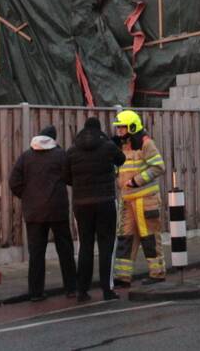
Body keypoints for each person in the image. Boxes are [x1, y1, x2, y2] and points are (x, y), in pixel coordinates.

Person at [8, 125, 77, 301]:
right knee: (65, 250)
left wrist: (27, 196)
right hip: (57, 209)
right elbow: (70, 177)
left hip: (34, 212)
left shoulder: (26, 156)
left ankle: (36, 292)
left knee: (36, 253)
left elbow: (13, 181)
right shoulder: (61, 155)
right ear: (54, 139)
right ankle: (71, 288)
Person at [64, 116, 125, 302]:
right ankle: (107, 289)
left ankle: (82, 290)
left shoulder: (72, 150)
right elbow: (121, 160)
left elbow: (66, 177)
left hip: (81, 204)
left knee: (85, 245)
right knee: (106, 246)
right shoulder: (107, 146)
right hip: (105, 201)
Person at [111, 109, 167, 287]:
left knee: (149, 237)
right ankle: (122, 277)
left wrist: (136, 181)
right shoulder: (120, 146)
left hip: (145, 199)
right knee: (125, 238)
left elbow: (158, 166)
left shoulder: (146, 143)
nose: (119, 131)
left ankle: (157, 273)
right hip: (127, 200)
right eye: (118, 128)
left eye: (122, 128)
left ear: (132, 127)